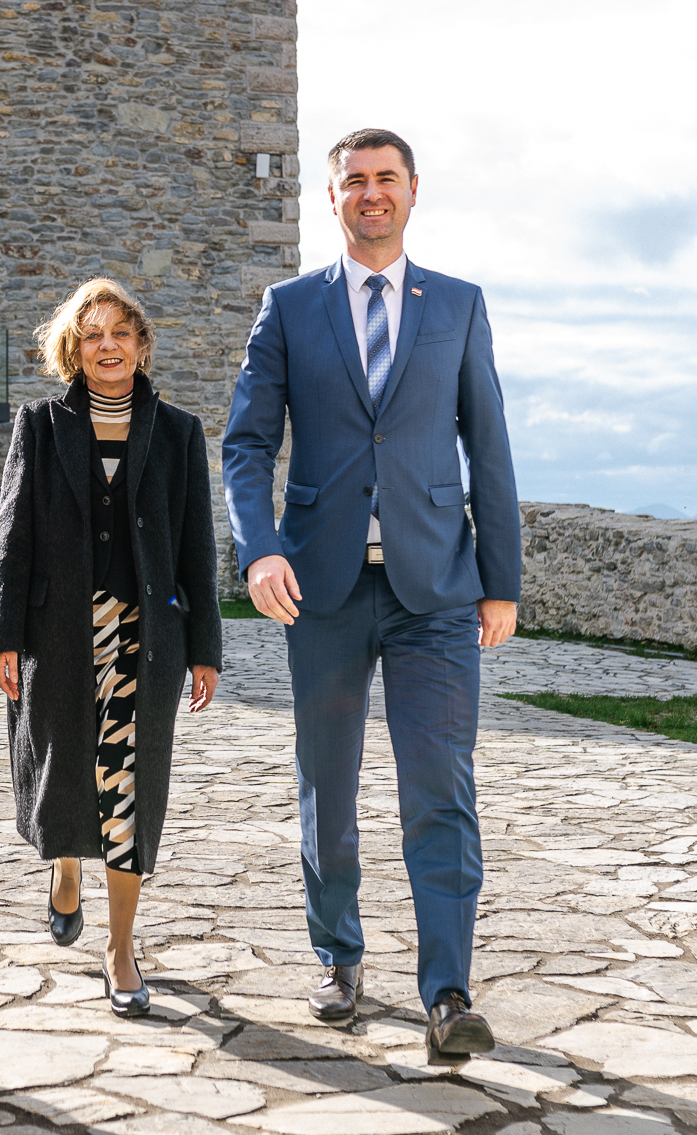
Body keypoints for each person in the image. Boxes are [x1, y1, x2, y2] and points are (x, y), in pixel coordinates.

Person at [222, 128, 520, 1059]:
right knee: (329, 784)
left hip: (437, 590)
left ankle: (448, 991)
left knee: (441, 788)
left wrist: (502, 581)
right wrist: (259, 551)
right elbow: (246, 445)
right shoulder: (289, 307)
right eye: (354, 180)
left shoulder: (459, 305)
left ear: (413, 190)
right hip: (323, 589)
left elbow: (489, 446)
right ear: (333, 197)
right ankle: (338, 956)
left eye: (386, 178)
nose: (371, 193)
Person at [0, 279, 222, 1017]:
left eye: (121, 331)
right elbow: (12, 535)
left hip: (145, 641)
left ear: (141, 344)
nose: (108, 345)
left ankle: (121, 948)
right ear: (73, 349)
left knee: (129, 787)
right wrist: (2, 634)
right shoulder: (38, 425)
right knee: (62, 773)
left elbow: (196, 547)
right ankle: (64, 866)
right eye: (92, 334)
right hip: (58, 636)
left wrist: (206, 647)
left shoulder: (178, 432)